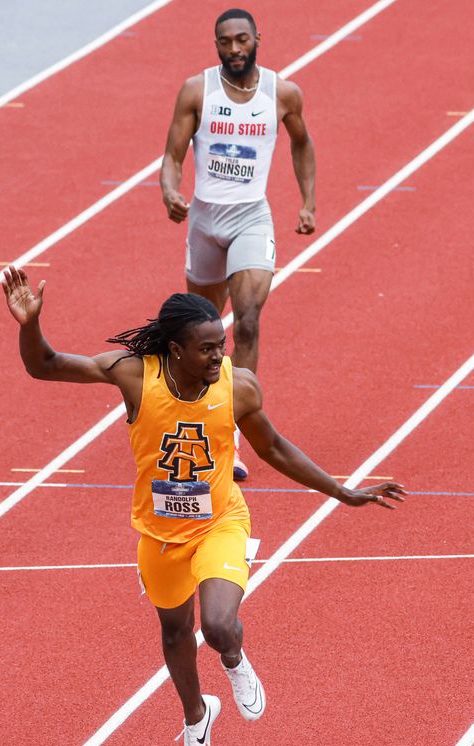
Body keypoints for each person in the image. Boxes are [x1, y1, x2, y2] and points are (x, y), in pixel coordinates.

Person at [0, 265, 404, 746]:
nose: (220, 356)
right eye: (208, 348)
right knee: (174, 635)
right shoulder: (133, 375)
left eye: (222, 344)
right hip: (158, 533)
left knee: (215, 625)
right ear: (175, 350)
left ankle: (234, 659)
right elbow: (47, 366)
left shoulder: (239, 387)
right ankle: (197, 715)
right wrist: (28, 325)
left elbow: (274, 448)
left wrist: (341, 492)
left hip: (220, 522)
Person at [160, 7, 316, 480]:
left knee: (246, 321)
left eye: (241, 41)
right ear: (216, 45)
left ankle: (229, 432)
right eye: (224, 42)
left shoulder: (282, 93)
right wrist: (170, 189)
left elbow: (302, 143)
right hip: (205, 219)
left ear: (256, 40)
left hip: (251, 216)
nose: (233, 50)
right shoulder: (196, 90)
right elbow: (172, 154)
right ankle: (187, 410)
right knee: (198, 330)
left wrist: (308, 202)